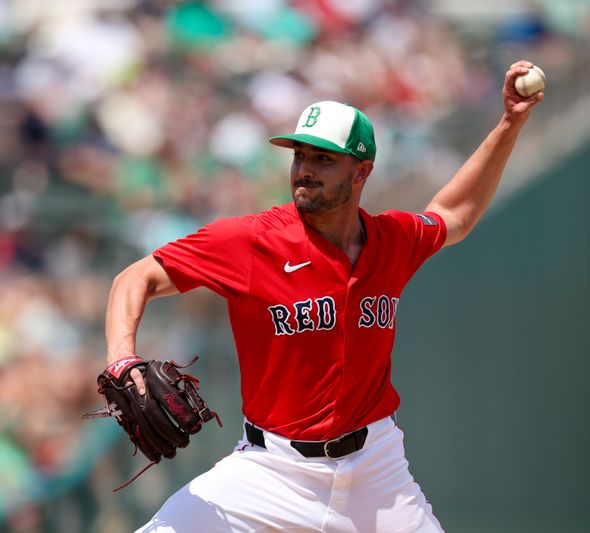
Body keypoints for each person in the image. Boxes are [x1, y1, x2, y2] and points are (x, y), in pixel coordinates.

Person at [104, 60, 544, 532]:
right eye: (300, 156)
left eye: (323, 159)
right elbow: (135, 278)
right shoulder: (252, 242)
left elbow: (453, 215)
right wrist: (121, 361)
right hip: (271, 472)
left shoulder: (393, 240)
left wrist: (509, 122)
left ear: (362, 171)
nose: (305, 171)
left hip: (376, 470)